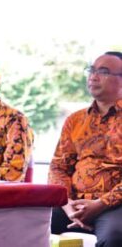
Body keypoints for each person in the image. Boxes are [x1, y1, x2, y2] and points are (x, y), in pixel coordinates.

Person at [49, 51, 121, 246]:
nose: (93, 77)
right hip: (73, 204)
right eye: (91, 70)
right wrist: (67, 204)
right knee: (27, 222)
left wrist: (100, 204)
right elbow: (59, 167)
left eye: (103, 72)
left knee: (113, 237)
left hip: (115, 206)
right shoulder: (75, 120)